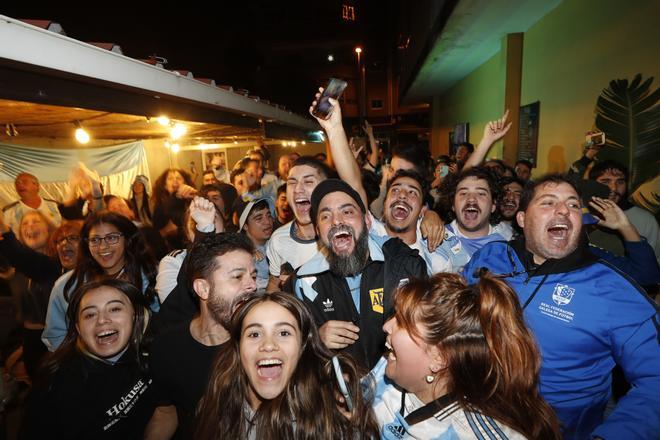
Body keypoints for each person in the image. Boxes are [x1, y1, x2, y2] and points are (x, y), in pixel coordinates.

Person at [463, 174, 660, 439]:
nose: (563, 210)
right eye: (548, 202)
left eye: (573, 205)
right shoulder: (491, 256)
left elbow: (655, 380)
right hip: (474, 416)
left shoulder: (614, 290)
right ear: (521, 219)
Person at [370, 273, 561, 439]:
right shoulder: (386, 365)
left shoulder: (470, 434)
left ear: (439, 358)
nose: (386, 326)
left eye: (402, 321)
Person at [195, 291, 379, 439]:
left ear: (302, 347)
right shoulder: (215, 408)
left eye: (283, 333)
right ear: (238, 347)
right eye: (254, 334)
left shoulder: (331, 419)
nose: (268, 345)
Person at [289, 179, 427, 369]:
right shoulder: (301, 284)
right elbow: (286, 350)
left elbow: (427, 338)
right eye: (325, 216)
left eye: (347, 212)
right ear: (318, 232)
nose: (337, 221)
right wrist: (315, 340)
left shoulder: (405, 265)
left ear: (368, 221)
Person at [149, 233, 257, 439]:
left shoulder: (262, 344)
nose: (252, 285)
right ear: (203, 288)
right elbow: (166, 411)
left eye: (252, 275)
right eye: (237, 276)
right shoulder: (167, 347)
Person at [22, 279, 157, 439]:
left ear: (135, 315)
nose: (102, 320)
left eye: (114, 309)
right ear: (78, 328)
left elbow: (167, 410)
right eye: (90, 314)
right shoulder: (54, 387)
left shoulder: (155, 356)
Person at [43, 211, 159, 351]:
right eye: (95, 240)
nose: (103, 247)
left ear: (127, 239)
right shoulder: (67, 285)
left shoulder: (151, 276)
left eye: (111, 238)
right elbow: (55, 335)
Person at [0, 216, 80, 379]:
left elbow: (22, 256)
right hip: (32, 342)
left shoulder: (55, 268)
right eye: (61, 240)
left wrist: (4, 230)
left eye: (35, 221)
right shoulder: (13, 270)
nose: (65, 243)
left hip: (68, 344)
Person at [435, 167, 513, 273]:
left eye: (481, 193)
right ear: (453, 205)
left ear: (493, 205)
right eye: (463, 193)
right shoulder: (437, 241)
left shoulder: (508, 244)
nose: (471, 199)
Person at [588, 160, 659, 263]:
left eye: (620, 182)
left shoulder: (645, 219)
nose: (614, 188)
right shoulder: (580, 213)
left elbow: (654, 260)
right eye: (606, 182)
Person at [233, 198, 274, 290]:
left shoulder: (277, 243)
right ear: (245, 226)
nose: (267, 222)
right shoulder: (240, 254)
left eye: (269, 215)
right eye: (259, 218)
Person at [151, 168, 197, 250]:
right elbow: (156, 235)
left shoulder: (193, 202)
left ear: (185, 183)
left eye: (178, 178)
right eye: (170, 178)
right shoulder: (160, 206)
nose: (175, 181)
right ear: (165, 186)